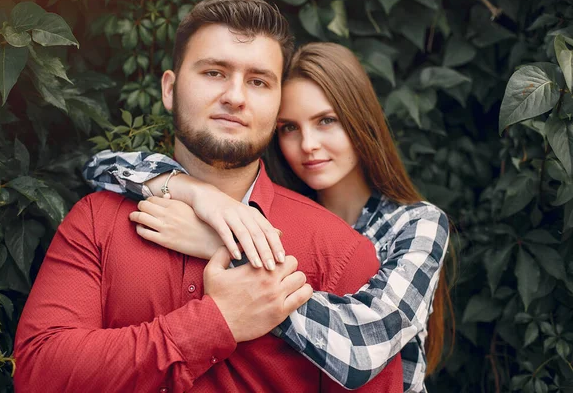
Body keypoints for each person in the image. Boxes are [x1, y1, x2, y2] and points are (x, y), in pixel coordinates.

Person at [14, 0, 404, 393]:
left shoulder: (340, 251)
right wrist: (216, 322)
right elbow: (39, 372)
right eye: (214, 72)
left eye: (258, 81)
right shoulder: (98, 220)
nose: (235, 96)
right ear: (170, 89)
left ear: (277, 104)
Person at [83, 41, 451, 392]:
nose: (308, 144)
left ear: (361, 120)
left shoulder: (416, 224)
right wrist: (195, 192)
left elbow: (362, 347)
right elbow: (100, 167)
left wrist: (223, 245)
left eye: (326, 121)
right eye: (289, 127)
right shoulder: (271, 203)